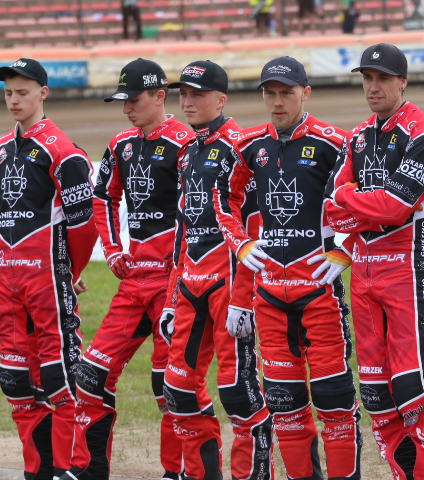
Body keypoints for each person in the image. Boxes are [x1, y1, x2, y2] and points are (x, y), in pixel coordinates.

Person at [213, 55, 362, 480]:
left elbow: (365, 198)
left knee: (334, 399)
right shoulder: (248, 145)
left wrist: (345, 249)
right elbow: (223, 198)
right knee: (284, 404)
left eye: (286, 93)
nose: (277, 102)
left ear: (305, 93)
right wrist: (240, 243)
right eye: (270, 93)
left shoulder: (335, 142)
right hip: (269, 296)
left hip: (319, 290)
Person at [324, 43, 424, 480]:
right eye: (367, 78)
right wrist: (363, 203)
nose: (373, 86)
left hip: (404, 272)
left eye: (383, 78)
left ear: (403, 82)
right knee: (377, 396)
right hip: (362, 273)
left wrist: (352, 197)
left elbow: (394, 206)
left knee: (412, 389)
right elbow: (331, 209)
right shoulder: (358, 136)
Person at [60, 58, 192, 480]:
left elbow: (197, 213)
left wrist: (182, 265)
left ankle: (178, 471)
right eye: (122, 101)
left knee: (169, 385)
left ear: (160, 96)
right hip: (135, 281)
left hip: (174, 283)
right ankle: (91, 469)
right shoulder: (120, 144)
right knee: (91, 374)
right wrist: (113, 249)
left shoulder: (186, 143)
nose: (126, 108)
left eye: (134, 100)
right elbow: (102, 196)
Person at [161, 60, 273, 480]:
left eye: (198, 95)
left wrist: (245, 297)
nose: (187, 102)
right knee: (178, 390)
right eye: (183, 94)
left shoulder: (241, 147)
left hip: (229, 285)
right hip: (190, 285)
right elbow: (183, 230)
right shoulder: (187, 151)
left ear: (221, 100)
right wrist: (171, 298)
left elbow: (255, 228)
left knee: (239, 393)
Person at [0, 58, 97, 479]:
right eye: (8, 93)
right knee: (15, 381)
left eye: (22, 92)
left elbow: (83, 226)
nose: (14, 100)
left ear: (43, 93)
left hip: (46, 281)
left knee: (60, 379)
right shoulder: (0, 151)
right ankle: (39, 469)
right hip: (7, 279)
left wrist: (69, 272)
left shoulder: (63, 151)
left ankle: (72, 469)